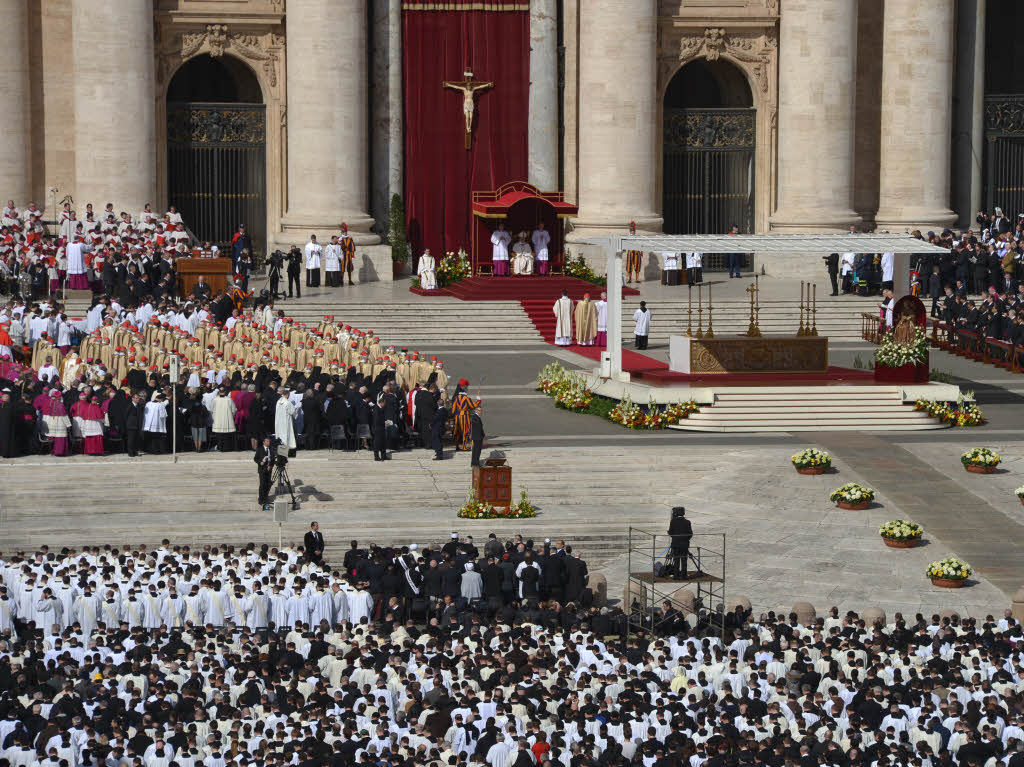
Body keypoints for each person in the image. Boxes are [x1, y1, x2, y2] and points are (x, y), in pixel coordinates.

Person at [450, 379, 479, 451]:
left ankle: (457, 446)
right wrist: (478, 401)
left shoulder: (456, 398)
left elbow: (453, 409)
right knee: (466, 431)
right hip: (464, 416)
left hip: (457, 416)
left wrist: (454, 415)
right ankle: (464, 446)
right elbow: (473, 406)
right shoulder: (466, 398)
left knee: (457, 431)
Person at [666, 506, 692, 580]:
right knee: (684, 561)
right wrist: (685, 539)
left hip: (676, 544)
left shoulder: (673, 522)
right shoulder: (687, 522)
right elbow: (690, 534)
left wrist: (672, 535)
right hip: (684, 545)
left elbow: (671, 533)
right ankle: (684, 576)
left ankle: (676, 576)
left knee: (676, 560)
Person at [255, 434, 274, 508]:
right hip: (262, 470)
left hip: (269, 470)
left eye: (269, 441)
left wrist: (270, 466)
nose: (268, 442)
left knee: (268, 484)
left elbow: (272, 460)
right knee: (262, 484)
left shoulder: (271, 449)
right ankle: (261, 499)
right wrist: (260, 462)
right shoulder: (259, 449)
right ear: (264, 442)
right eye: (267, 441)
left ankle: (266, 498)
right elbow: (255, 458)